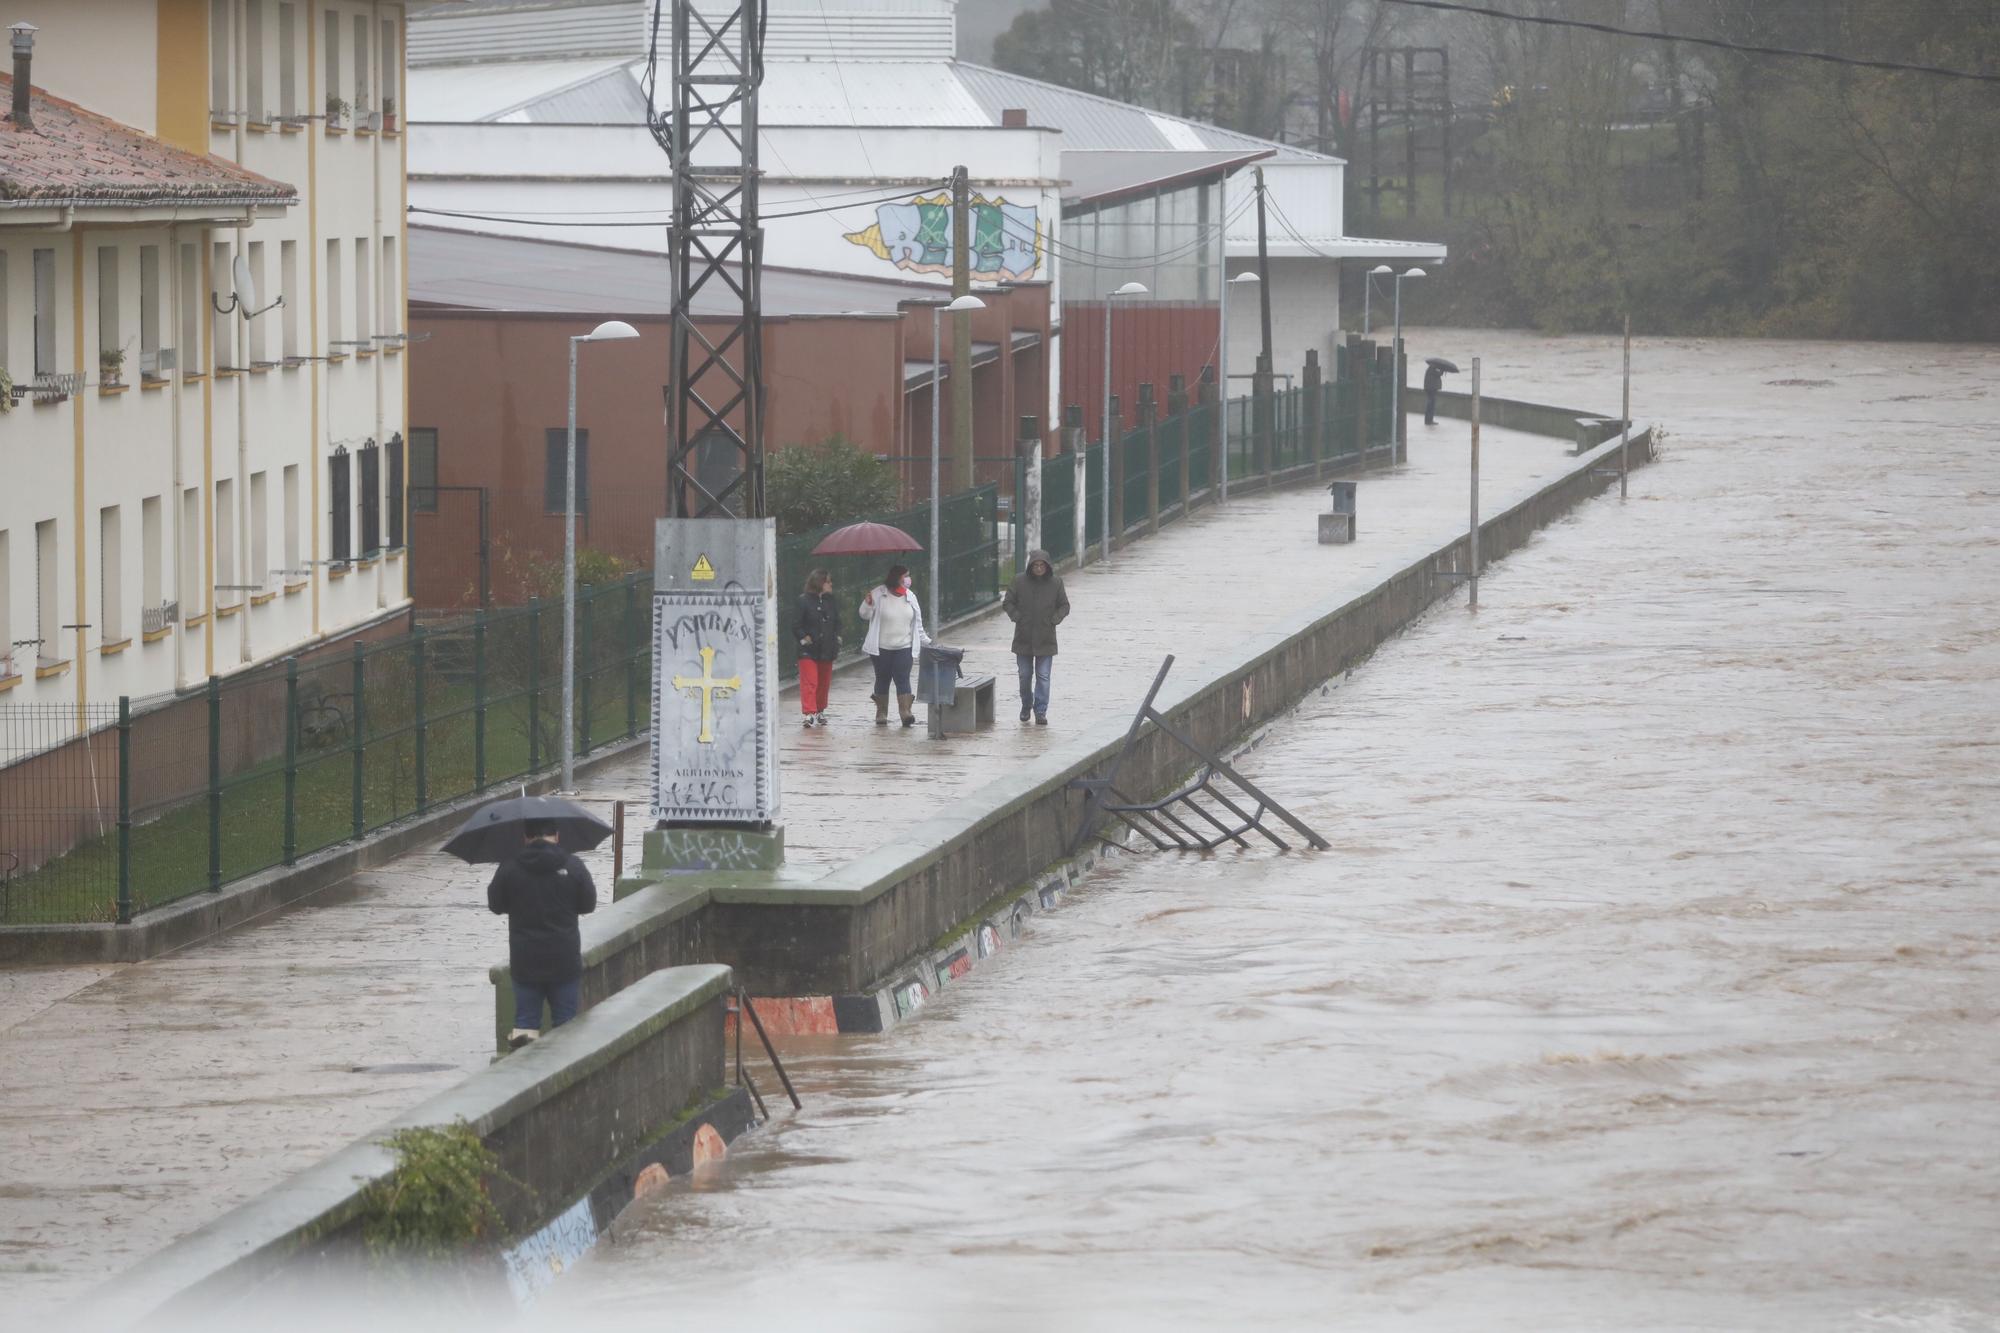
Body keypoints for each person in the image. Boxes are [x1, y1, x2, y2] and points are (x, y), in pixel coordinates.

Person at [486, 820, 597, 1050]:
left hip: (525, 960)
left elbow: (496, 905)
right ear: (557, 836)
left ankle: (525, 1064)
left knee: (526, 1023)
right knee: (565, 1025)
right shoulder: (573, 865)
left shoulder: (510, 866)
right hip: (564, 958)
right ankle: (564, 1068)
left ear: (525, 837)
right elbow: (588, 904)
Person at [1001, 548, 1069, 725]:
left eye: (1042, 565)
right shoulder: (1019, 581)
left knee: (1043, 676)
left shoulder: (1056, 583)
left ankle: (1040, 711)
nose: (1039, 568)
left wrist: (1054, 619)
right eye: (1035, 565)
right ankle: (1026, 705)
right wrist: (1017, 617)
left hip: (1046, 639)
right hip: (1023, 638)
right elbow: (1008, 602)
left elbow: (1064, 605)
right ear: (1030, 566)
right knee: (1024, 676)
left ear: (1047, 567)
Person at [859, 562, 927, 728]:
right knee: (882, 679)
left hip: (904, 647)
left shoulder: (910, 596)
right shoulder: (878, 594)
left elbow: (918, 623)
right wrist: (868, 604)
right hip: (881, 648)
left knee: (903, 678)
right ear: (897, 577)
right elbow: (864, 615)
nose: (908, 579)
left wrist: (927, 641)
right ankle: (881, 713)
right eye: (906, 576)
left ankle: (905, 712)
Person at [792, 568, 841, 728]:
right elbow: (796, 624)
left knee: (823, 682)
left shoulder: (830, 600)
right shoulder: (803, 601)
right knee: (810, 681)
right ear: (819, 583)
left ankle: (820, 710)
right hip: (808, 649)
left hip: (827, 647)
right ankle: (809, 712)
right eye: (827, 582)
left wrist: (836, 637)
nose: (830, 584)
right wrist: (804, 637)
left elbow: (836, 621)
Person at [1423, 361, 1446, 426]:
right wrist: (1442, 369)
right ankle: (1429, 420)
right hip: (1431, 389)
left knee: (1430, 405)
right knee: (1431, 405)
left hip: (1430, 389)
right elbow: (1439, 374)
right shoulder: (1432, 370)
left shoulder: (1430, 369)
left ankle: (1428, 420)